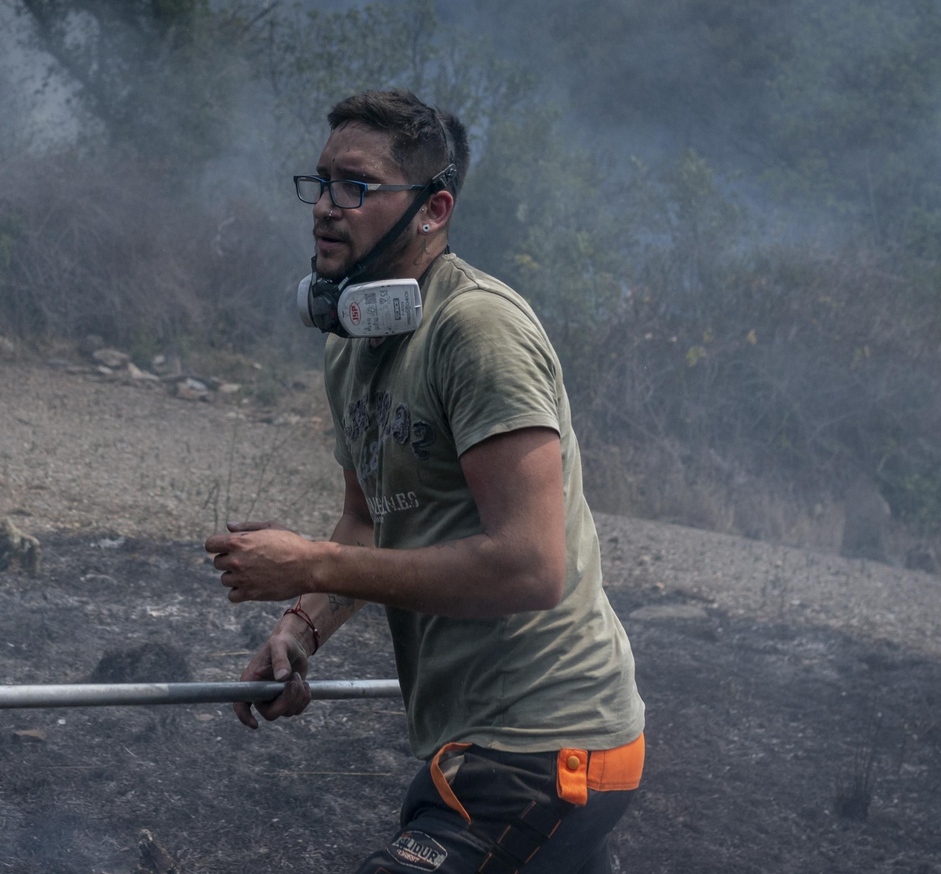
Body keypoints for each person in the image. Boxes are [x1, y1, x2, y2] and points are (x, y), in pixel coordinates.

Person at [206, 89, 645, 874]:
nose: (326, 207)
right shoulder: (352, 342)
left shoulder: (478, 331)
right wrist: (299, 629)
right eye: (322, 182)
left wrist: (308, 561)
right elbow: (367, 520)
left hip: (548, 743)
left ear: (435, 208)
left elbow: (533, 566)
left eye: (358, 185)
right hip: (485, 740)